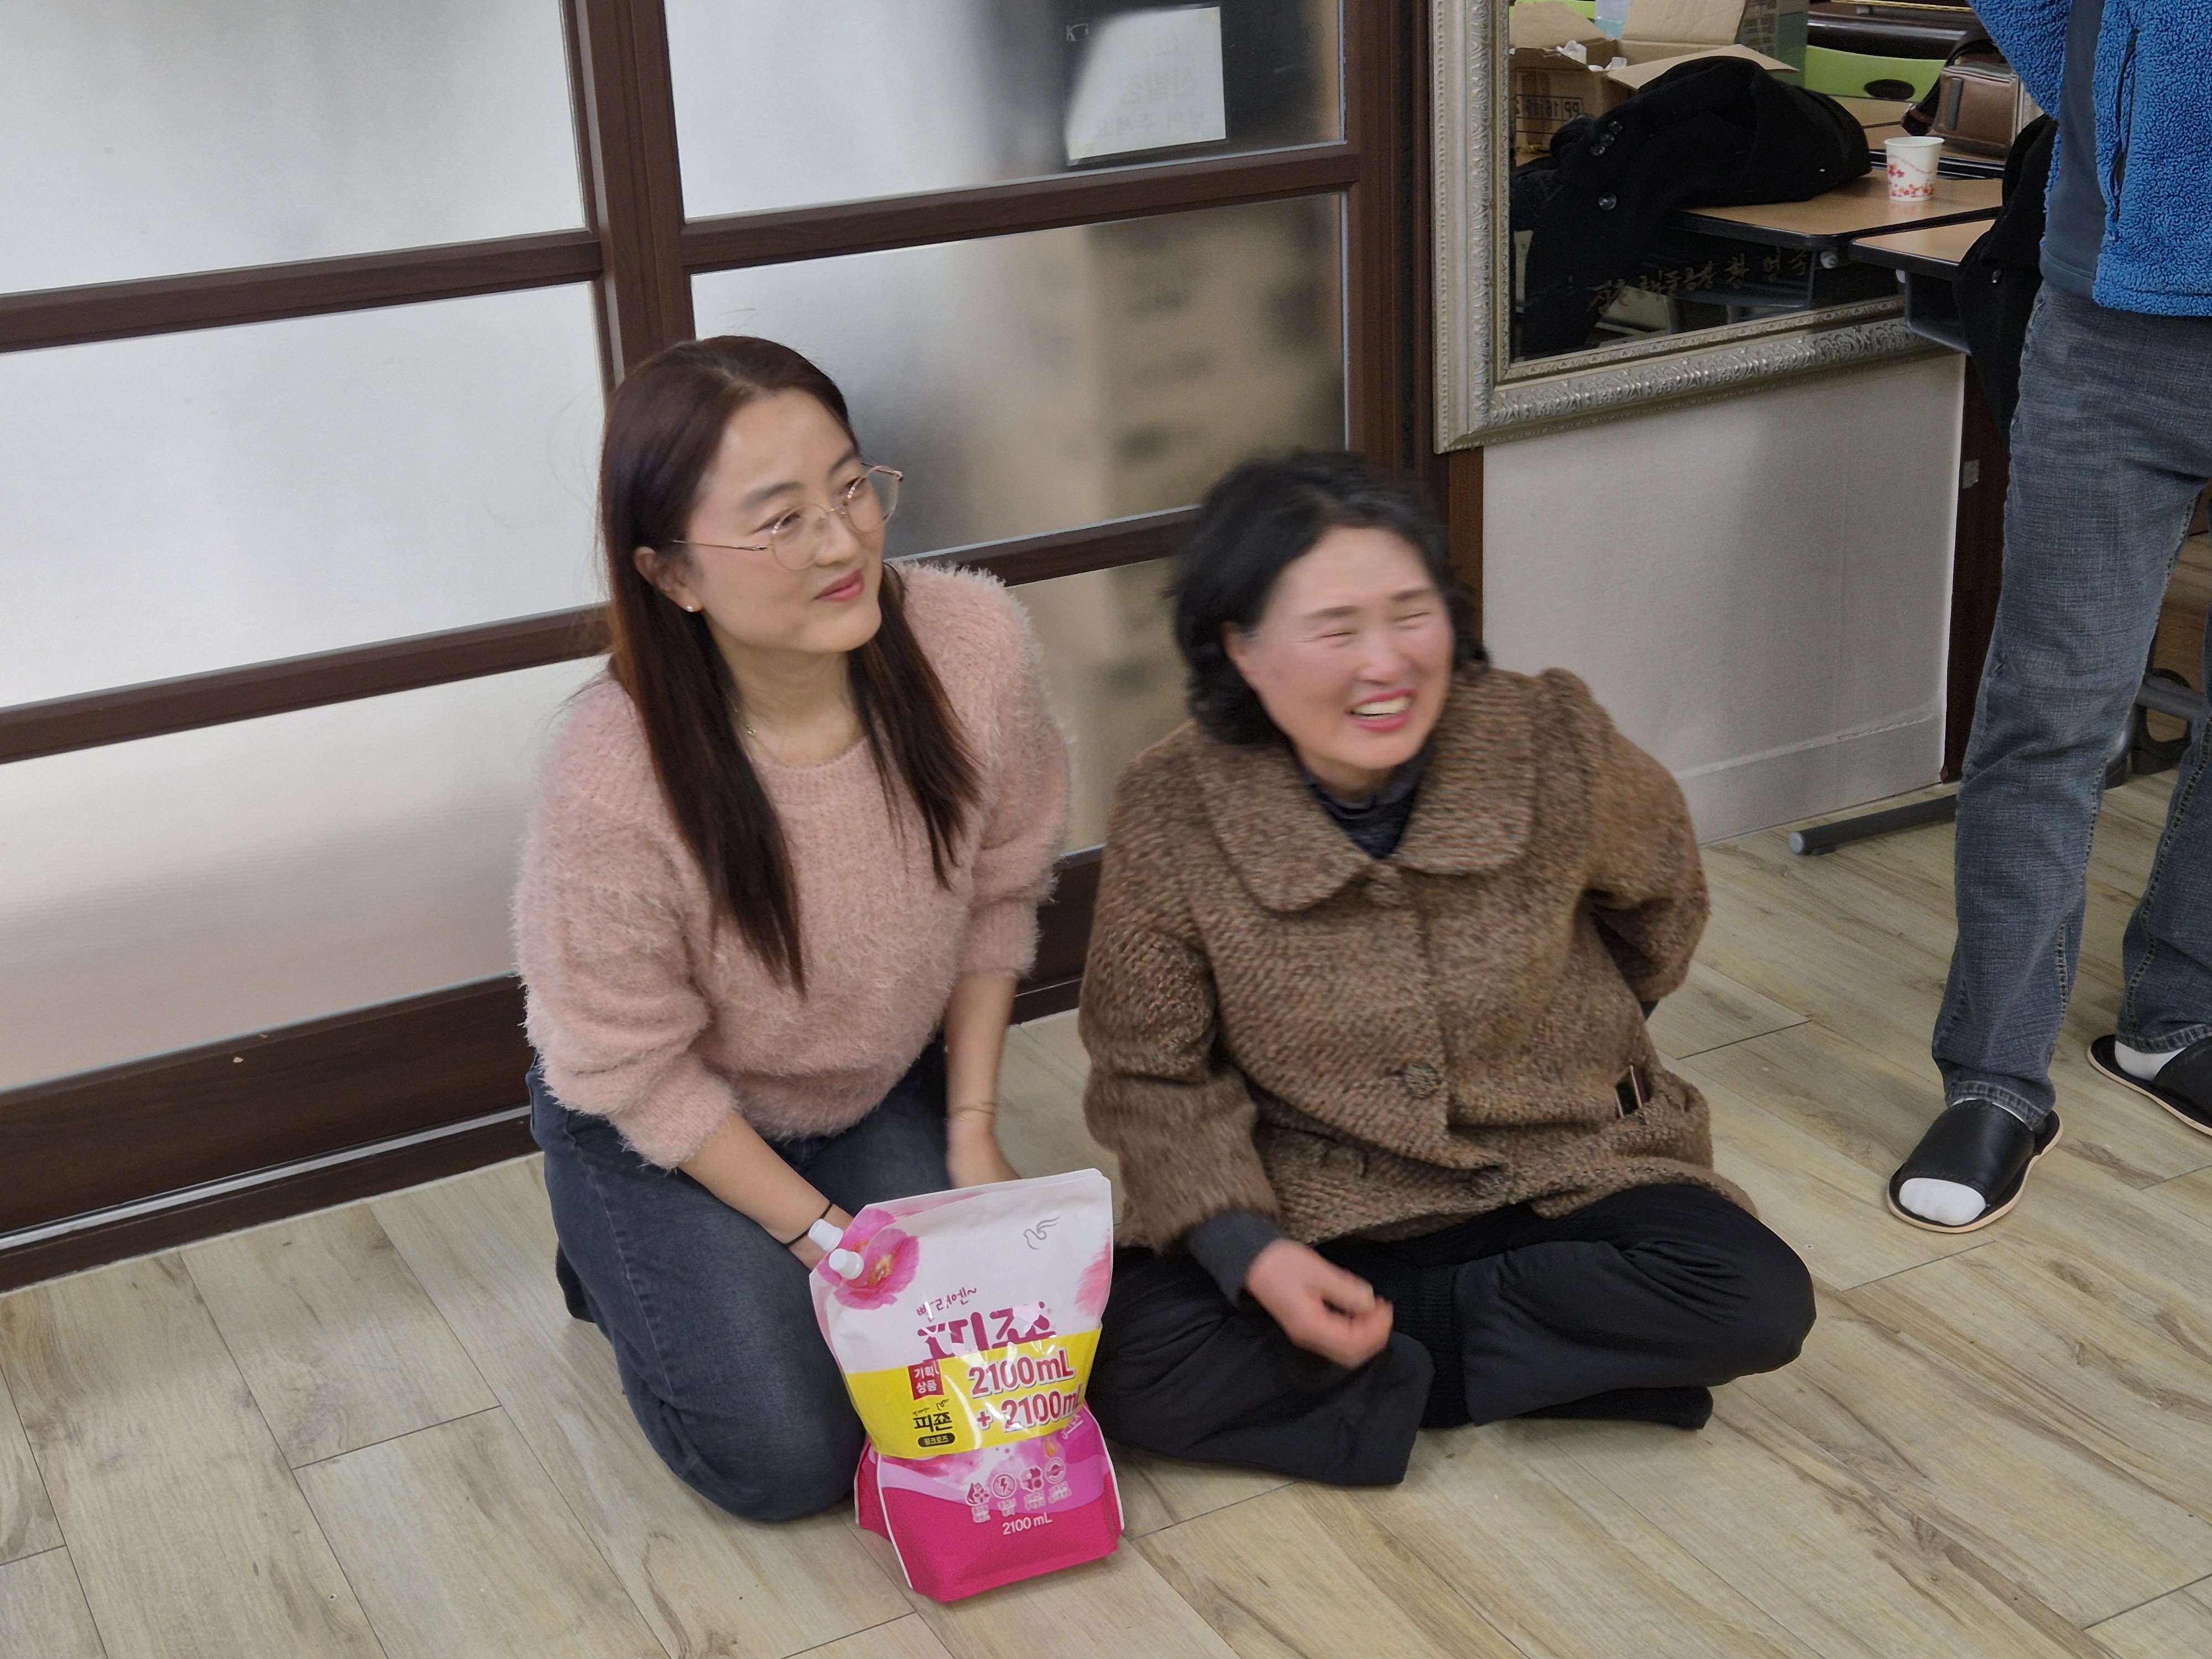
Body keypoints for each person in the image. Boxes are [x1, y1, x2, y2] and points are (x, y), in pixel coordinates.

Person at [1076, 453, 1814, 1484]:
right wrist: (1259, 1257)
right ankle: (1565, 1372)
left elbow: (1661, 908)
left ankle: (1386, 1374)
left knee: (1754, 1299)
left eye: (1410, 613)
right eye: (1336, 630)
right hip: (1318, 1198)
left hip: (1564, 1169)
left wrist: (1571, 1046)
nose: (1385, 662)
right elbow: (1152, 1074)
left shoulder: (1549, 739)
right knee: (1121, 1361)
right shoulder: (1171, 809)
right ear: (1242, 648)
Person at [513, 337, 1069, 1520]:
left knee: (980, 1392)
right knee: (789, 1461)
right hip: (664, 1113)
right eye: (779, 522)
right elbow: (631, 1066)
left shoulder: (973, 646)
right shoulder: (613, 779)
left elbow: (1001, 888)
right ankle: (608, 1249)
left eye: (852, 488)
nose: (840, 543)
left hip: (862, 1081)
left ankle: (711, 1257)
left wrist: (972, 1128)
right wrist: (824, 1239)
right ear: (671, 574)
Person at [1888, 1, 2212, 1233]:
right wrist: (2117, 95)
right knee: (2049, 711)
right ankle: (1993, 1082)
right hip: (2111, 326)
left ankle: (2177, 1016)